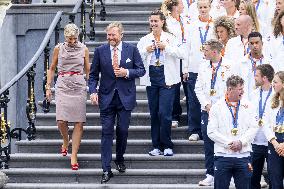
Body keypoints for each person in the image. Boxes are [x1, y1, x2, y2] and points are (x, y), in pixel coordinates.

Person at [88, 22, 145, 183]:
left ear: (121, 35)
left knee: (122, 130)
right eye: (108, 35)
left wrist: (126, 72)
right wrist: (93, 91)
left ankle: (119, 159)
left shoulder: (131, 50)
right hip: (106, 98)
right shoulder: (100, 51)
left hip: (125, 98)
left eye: (113, 35)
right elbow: (92, 75)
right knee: (106, 132)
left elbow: (141, 70)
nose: (110, 38)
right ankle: (106, 169)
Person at [137, 9, 186, 157]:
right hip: (152, 78)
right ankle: (156, 145)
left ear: (162, 22)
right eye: (151, 21)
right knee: (154, 114)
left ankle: (167, 145)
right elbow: (137, 57)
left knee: (165, 113)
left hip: (168, 79)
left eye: (156, 21)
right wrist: (146, 50)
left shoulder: (171, 37)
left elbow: (182, 53)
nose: (153, 24)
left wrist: (167, 47)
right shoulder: (145, 39)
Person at [46, 23, 90, 170]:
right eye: (69, 39)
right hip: (63, 84)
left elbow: (88, 70)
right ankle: (66, 140)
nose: (72, 41)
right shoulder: (59, 48)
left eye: (74, 38)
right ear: (65, 37)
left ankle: (74, 155)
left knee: (79, 122)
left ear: (78, 36)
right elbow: (52, 68)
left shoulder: (84, 48)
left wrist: (91, 87)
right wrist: (48, 87)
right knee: (60, 120)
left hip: (78, 85)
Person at [207, 75, 258, 189]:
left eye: (242, 88)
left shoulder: (249, 106)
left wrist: (241, 142)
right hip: (222, 156)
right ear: (230, 89)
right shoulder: (217, 107)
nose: (243, 91)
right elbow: (211, 132)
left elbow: (254, 127)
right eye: (240, 89)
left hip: (244, 156)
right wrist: (230, 143)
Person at [195, 39, 233, 186]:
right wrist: (206, 104)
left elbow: (232, 87)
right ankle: (210, 173)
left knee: (225, 140)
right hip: (207, 110)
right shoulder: (203, 65)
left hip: (224, 109)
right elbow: (198, 88)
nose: (204, 52)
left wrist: (220, 105)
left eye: (206, 50)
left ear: (215, 51)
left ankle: (226, 173)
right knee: (208, 143)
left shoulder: (229, 65)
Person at [186, 0, 215, 141]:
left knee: (209, 98)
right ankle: (194, 130)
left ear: (210, 8)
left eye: (206, 7)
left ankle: (209, 129)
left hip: (210, 67)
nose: (203, 9)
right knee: (193, 100)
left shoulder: (215, 25)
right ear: (197, 8)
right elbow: (188, 48)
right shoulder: (191, 26)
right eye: (201, 7)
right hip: (194, 67)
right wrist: (185, 68)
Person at [161, 0, 190, 128]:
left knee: (190, 89)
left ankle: (191, 116)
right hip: (174, 58)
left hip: (187, 57)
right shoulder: (166, 22)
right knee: (174, 88)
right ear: (174, 7)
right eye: (181, 4)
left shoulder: (186, 19)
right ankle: (175, 116)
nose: (184, 6)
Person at [250, 64, 274, 189]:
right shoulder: (253, 94)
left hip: (272, 142)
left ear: (264, 78)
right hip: (256, 141)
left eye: (257, 75)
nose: (254, 78)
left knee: (274, 178)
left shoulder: (277, 94)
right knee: (253, 178)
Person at [233, 32, 271, 100]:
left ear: (262, 44)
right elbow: (235, 84)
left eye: (257, 42)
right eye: (252, 43)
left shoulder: (270, 63)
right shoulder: (240, 63)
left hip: (264, 101)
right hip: (245, 101)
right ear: (248, 45)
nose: (254, 45)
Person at [266, 71, 284, 189]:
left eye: (275, 82)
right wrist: (275, 143)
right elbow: (265, 124)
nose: (273, 84)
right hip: (274, 144)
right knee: (275, 181)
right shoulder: (272, 101)